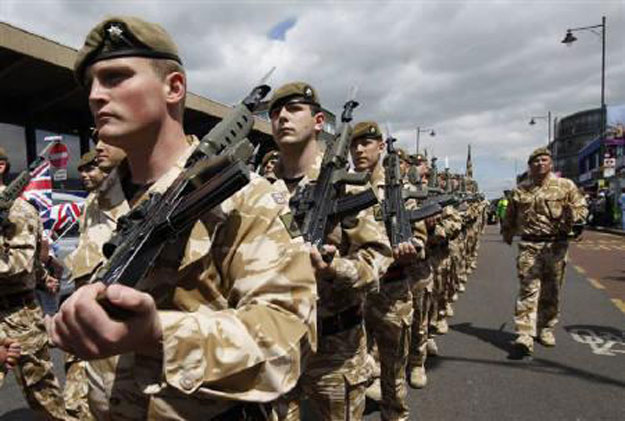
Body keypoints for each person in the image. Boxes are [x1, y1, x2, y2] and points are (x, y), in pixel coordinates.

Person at [47, 16, 316, 419]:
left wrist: (160, 333)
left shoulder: (242, 198)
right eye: (91, 84)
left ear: (174, 87)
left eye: (116, 77)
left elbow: (288, 343)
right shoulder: (100, 202)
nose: (96, 96)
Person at [268, 83, 393, 420]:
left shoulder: (347, 183)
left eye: (293, 109)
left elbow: (378, 256)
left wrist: (335, 269)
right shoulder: (260, 188)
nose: (282, 117)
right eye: (275, 113)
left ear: (319, 121)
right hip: (274, 343)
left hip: (335, 347)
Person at [349, 121, 426, 419]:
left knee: (394, 366)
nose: (359, 149)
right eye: (354, 144)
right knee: (351, 367)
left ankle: (394, 413)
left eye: (366, 143)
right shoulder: (345, 186)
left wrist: (411, 249)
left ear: (381, 147)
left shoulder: (400, 189)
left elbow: (420, 237)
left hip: (392, 288)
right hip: (354, 293)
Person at [0, 147, 70, 420]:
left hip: (18, 317)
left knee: (43, 396)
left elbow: (20, 265)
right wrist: (45, 278)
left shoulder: (18, 210)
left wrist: (43, 278)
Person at [502, 147, 588, 356]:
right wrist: (507, 233)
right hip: (529, 246)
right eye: (535, 161)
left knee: (552, 290)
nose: (540, 164)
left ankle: (546, 327)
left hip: (556, 246)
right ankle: (524, 334)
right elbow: (510, 216)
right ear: (529, 165)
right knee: (528, 289)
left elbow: (581, 208)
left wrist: (575, 218)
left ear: (550, 163)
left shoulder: (565, 186)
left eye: (544, 160)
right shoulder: (521, 190)